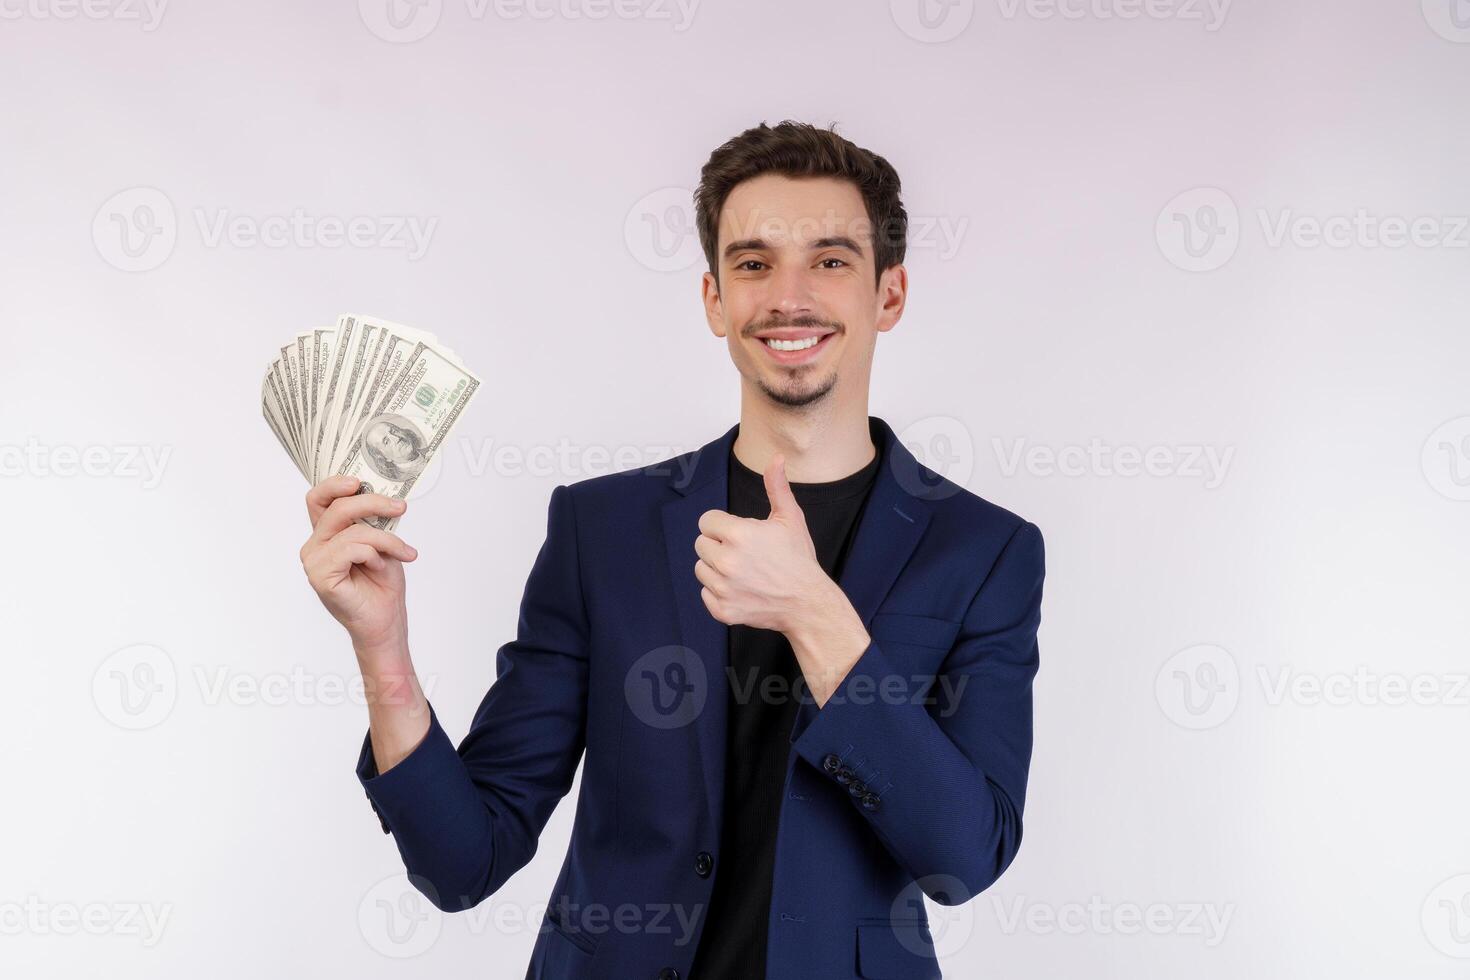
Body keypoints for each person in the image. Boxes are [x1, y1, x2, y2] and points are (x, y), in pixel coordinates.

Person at [298, 120, 1046, 980]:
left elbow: (964, 857)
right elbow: (462, 863)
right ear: (715, 300)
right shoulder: (601, 528)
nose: (789, 297)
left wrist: (815, 616)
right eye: (754, 263)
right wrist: (381, 646)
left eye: (831, 261)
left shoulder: (985, 551)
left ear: (889, 294)